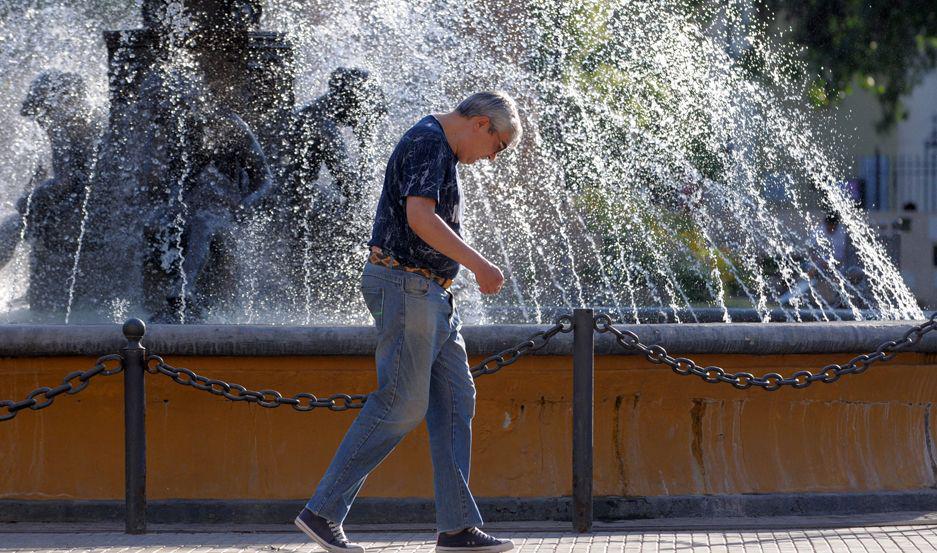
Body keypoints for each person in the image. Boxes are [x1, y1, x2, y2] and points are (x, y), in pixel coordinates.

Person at [294, 92, 522, 553]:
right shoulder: (428, 141)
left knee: (456, 399)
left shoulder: (437, 144)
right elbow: (421, 218)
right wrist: (480, 266)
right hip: (406, 285)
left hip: (429, 291)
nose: (490, 159)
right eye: (497, 147)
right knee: (400, 403)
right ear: (481, 124)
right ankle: (322, 512)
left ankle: (457, 527)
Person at [0, 71, 101, 319]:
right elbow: (47, 175)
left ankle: (36, 291)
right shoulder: (85, 120)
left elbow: (66, 180)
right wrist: (34, 189)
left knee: (11, 228)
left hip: (80, 207)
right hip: (84, 203)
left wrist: (27, 200)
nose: (40, 123)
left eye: (40, 113)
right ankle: (34, 290)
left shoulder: (62, 125)